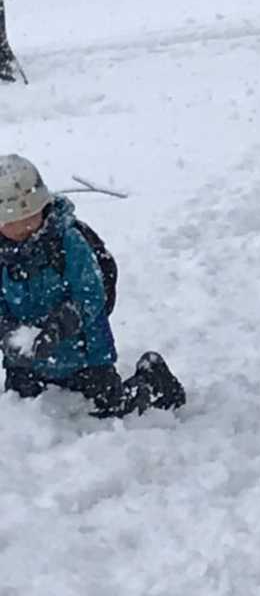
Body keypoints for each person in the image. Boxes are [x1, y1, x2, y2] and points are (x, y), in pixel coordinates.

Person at [0, 154, 185, 417]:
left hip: (85, 355)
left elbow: (91, 294)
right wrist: (9, 333)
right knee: (23, 412)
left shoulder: (68, 242)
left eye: (31, 215)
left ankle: (153, 380)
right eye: (12, 222)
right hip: (26, 360)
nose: (24, 226)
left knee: (109, 411)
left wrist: (61, 325)